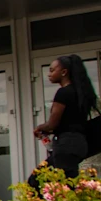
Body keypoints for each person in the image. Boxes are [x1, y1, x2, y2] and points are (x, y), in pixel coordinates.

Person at [31, 54, 96, 187]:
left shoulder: (63, 93)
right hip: (79, 144)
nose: (49, 74)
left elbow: (52, 124)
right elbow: (69, 122)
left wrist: (40, 128)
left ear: (64, 72)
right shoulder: (80, 93)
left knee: (56, 185)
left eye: (52, 70)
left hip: (66, 146)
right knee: (55, 182)